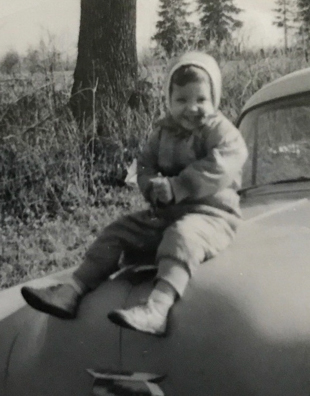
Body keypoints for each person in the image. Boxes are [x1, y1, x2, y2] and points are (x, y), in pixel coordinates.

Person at [21, 51, 248, 336]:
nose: (192, 108)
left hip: (212, 216)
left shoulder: (223, 133)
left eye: (201, 99)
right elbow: (143, 164)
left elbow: (221, 166)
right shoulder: (162, 132)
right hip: (166, 214)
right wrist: (151, 185)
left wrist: (178, 187)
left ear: (214, 99)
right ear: (169, 100)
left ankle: (158, 307)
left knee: (183, 237)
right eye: (181, 100)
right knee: (117, 232)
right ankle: (72, 291)